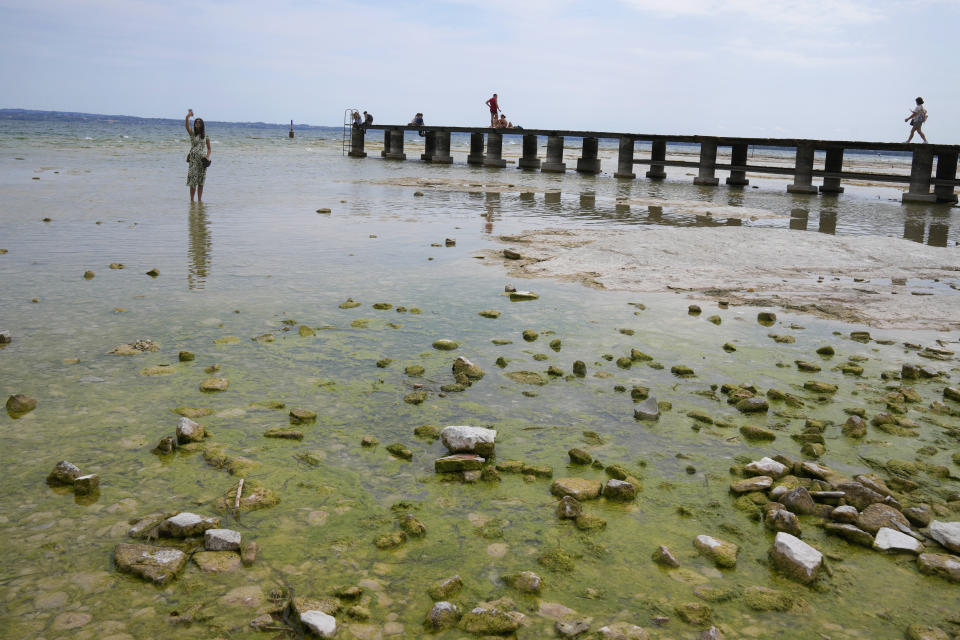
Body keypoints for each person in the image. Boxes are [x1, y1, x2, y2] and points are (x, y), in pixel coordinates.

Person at [184, 109, 211, 203]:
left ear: (202, 125)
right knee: (193, 182)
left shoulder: (206, 136)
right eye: (196, 122)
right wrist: (188, 116)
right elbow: (187, 126)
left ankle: (199, 201)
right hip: (193, 161)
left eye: (199, 122)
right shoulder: (192, 134)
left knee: (200, 181)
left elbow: (209, 148)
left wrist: (207, 157)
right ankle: (192, 201)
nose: (197, 124)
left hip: (202, 161)